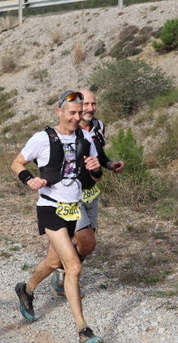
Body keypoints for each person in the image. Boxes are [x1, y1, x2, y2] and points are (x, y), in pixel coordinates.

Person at [11, 90, 103, 343]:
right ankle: (83, 329)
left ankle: (26, 289)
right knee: (73, 266)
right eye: (71, 113)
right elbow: (17, 163)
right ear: (59, 111)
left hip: (74, 207)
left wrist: (96, 170)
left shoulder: (85, 138)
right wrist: (29, 179)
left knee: (53, 261)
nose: (76, 118)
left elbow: (95, 177)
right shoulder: (42, 138)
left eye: (79, 113)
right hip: (50, 208)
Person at [49, 88, 124, 295]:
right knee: (86, 241)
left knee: (85, 245)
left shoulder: (98, 127)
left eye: (93, 104)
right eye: (85, 105)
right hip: (71, 195)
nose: (90, 109)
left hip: (91, 191)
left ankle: (59, 271)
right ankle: (64, 274)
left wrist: (109, 165)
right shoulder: (65, 132)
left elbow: (99, 155)